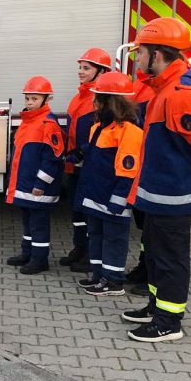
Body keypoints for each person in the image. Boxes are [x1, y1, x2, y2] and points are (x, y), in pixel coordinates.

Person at [123, 16, 191, 342]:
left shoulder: (179, 93)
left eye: (141, 51)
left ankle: (169, 320)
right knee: (153, 251)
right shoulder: (165, 86)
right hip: (159, 190)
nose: (136, 58)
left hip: (174, 193)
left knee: (169, 256)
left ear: (158, 54)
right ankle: (156, 305)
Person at [72, 71, 143, 296]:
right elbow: (96, 154)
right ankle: (98, 275)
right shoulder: (99, 127)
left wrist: (118, 201)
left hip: (112, 198)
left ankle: (113, 281)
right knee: (96, 237)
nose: (93, 103)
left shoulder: (130, 132)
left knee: (113, 240)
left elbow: (128, 170)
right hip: (95, 195)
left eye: (97, 99)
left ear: (110, 102)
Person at [5, 76, 66, 275]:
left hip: (37, 187)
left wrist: (41, 183)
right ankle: (27, 253)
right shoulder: (27, 121)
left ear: (46, 99)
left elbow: (52, 159)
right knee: (28, 222)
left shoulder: (48, 124)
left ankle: (40, 260)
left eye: (34, 99)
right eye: (28, 98)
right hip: (25, 184)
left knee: (39, 225)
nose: (30, 102)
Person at [60, 48, 112, 273]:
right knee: (77, 210)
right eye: (80, 67)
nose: (80, 72)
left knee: (91, 212)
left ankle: (92, 255)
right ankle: (79, 248)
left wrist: (82, 152)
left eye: (86, 68)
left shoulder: (102, 100)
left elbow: (101, 134)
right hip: (76, 165)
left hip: (91, 165)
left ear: (101, 71)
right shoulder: (79, 97)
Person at [123, 69, 156, 296]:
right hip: (140, 167)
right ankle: (144, 269)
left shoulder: (158, 91)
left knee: (154, 231)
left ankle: (152, 277)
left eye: (142, 52)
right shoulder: (141, 88)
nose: (138, 60)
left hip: (152, 169)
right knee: (145, 227)